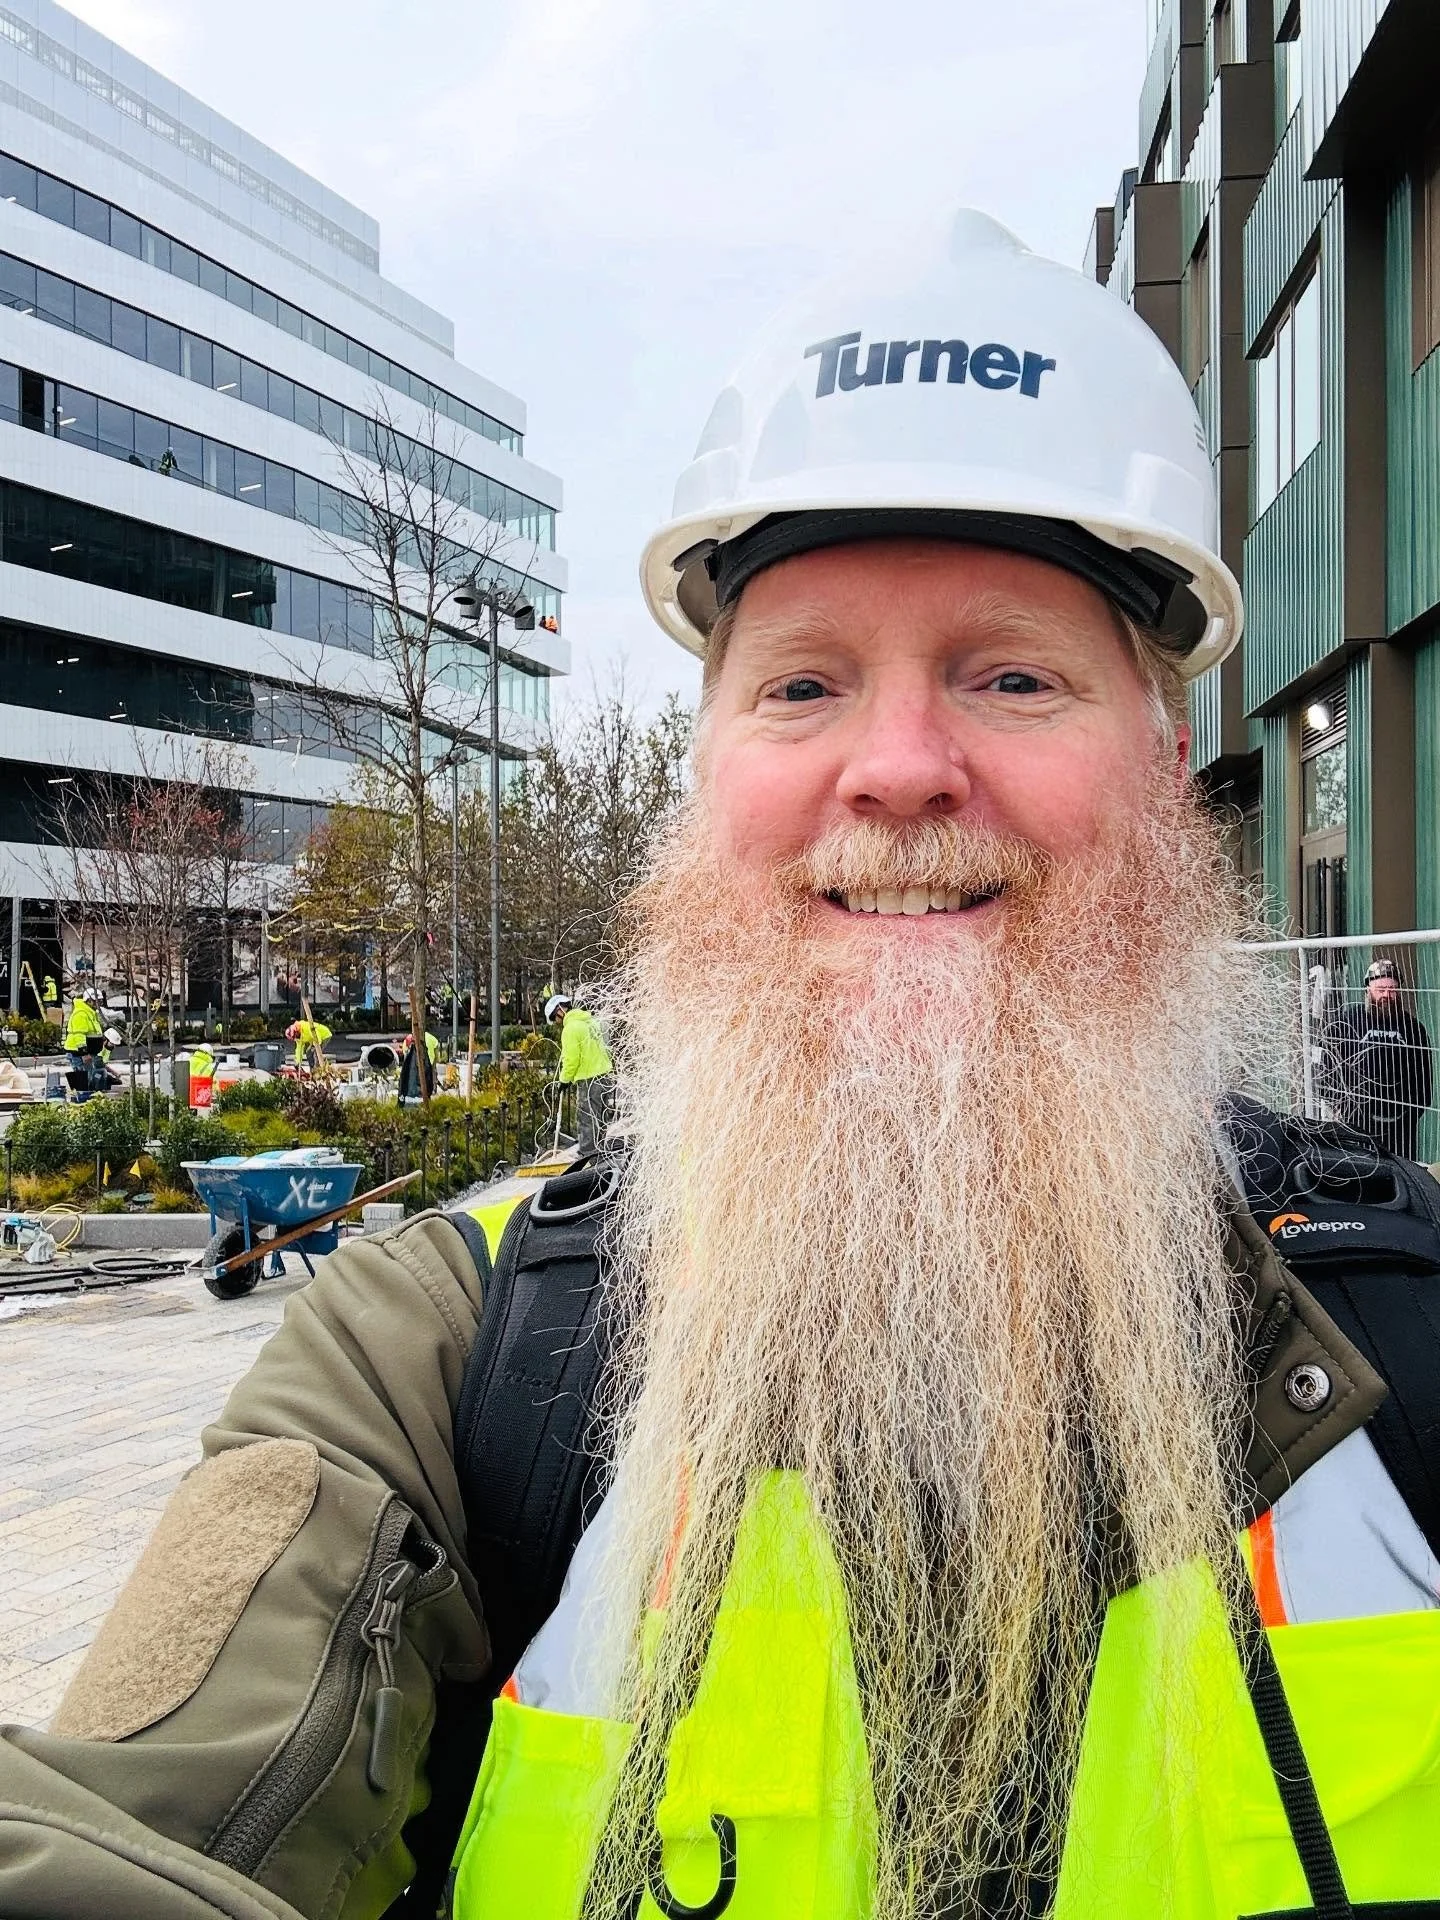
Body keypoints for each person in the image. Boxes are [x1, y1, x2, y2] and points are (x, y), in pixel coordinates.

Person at [4, 212, 1438, 1918]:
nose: (897, 768)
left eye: (1012, 675)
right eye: (804, 685)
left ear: (1164, 753)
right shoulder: (431, 1361)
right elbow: (137, 1831)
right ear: (707, 773)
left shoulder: (1412, 1323)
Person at [1320, 956, 1434, 1158]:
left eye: (1392, 989)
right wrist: (1342, 1109)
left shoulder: (1414, 1029)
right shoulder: (1345, 1024)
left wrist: (1408, 1117)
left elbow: (1424, 1082)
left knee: (1400, 1174)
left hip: (1401, 1130)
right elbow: (1326, 1072)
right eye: (1380, 989)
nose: (1387, 995)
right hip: (1355, 1126)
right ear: (1368, 989)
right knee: (1359, 1172)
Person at [547, 988, 614, 1155]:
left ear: (559, 1010)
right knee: (601, 1117)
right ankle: (600, 1152)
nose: (556, 1022)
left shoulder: (570, 1029)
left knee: (587, 1118)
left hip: (588, 1079)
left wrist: (564, 1080)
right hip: (604, 1075)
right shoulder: (590, 1022)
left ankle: (588, 1155)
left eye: (554, 1018)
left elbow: (571, 1060)